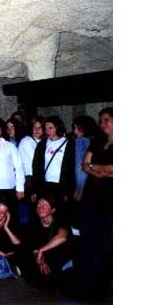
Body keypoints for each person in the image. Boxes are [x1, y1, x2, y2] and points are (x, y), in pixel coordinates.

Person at [78, 107, 113, 295]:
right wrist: (100, 170)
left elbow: (113, 169)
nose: (103, 124)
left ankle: (105, 279)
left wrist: (97, 168)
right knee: (88, 235)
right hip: (92, 195)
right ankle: (89, 278)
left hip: (110, 197)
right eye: (101, 121)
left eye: (107, 120)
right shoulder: (97, 142)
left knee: (106, 238)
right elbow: (84, 164)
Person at [22, 195, 72, 291]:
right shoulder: (33, 225)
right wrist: (41, 263)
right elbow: (35, 250)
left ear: (52, 210)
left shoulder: (60, 221)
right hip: (46, 257)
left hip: (62, 255)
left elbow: (62, 237)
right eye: (39, 205)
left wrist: (42, 250)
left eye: (45, 205)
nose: (41, 207)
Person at [31, 116, 75, 221]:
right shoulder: (42, 144)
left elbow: (72, 167)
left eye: (50, 128)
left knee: (61, 214)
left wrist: (69, 191)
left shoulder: (69, 143)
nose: (47, 131)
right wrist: (35, 189)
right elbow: (36, 167)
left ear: (57, 128)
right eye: (45, 128)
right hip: (45, 185)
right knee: (44, 214)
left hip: (61, 185)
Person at [17, 117, 44, 226]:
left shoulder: (42, 142)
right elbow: (37, 162)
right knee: (27, 211)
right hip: (29, 179)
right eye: (35, 127)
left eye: (40, 127)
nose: (37, 130)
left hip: (37, 178)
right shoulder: (27, 141)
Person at [71, 115, 99, 202]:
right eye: (74, 128)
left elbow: (80, 168)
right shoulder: (96, 140)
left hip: (82, 188)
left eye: (78, 128)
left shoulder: (81, 141)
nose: (75, 131)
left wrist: (79, 189)